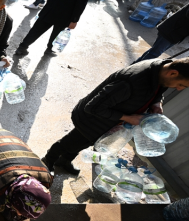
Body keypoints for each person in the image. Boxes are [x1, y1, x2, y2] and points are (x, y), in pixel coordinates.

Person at [43, 58, 189, 175]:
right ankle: (47, 161)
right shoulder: (132, 82)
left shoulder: (162, 71)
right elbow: (93, 107)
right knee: (71, 142)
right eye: (181, 84)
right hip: (92, 120)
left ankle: (64, 160)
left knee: (84, 143)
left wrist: (157, 103)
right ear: (173, 73)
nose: (179, 88)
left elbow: (159, 92)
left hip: (108, 121)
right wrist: (128, 118)